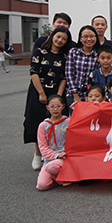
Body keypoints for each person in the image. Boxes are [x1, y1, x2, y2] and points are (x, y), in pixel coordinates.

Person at [24, 26, 73, 170]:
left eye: (64, 39)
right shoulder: (39, 52)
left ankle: (55, 153)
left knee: (58, 122)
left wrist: (58, 96)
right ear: (52, 36)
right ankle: (38, 153)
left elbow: (64, 77)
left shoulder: (65, 56)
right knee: (37, 121)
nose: (60, 40)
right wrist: (41, 93)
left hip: (57, 92)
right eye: (58, 37)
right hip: (38, 91)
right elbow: (34, 72)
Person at [36, 95, 71, 190]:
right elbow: (43, 147)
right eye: (52, 106)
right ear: (47, 107)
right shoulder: (43, 125)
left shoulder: (68, 122)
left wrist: (64, 154)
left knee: (51, 167)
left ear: (63, 106)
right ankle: (59, 178)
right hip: (50, 159)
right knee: (42, 185)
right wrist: (56, 155)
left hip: (65, 158)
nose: (55, 109)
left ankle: (62, 176)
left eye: (58, 106)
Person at [65, 25, 100, 107]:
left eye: (92, 36)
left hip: (91, 96)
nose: (89, 39)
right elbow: (69, 74)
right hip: (73, 94)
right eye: (85, 37)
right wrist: (75, 94)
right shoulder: (73, 52)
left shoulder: (98, 54)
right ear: (80, 39)